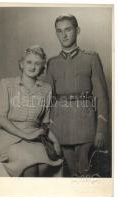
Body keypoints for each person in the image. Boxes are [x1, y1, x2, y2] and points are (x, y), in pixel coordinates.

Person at [45, 14, 109, 177]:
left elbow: (102, 96)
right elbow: (46, 100)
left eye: (68, 29)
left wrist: (101, 129)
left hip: (85, 124)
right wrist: (48, 130)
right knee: (66, 173)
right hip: (60, 126)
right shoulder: (52, 63)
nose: (64, 35)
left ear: (77, 30)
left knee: (86, 172)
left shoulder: (91, 58)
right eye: (59, 31)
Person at [0, 45, 63, 177]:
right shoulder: (7, 84)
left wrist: (55, 141)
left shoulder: (46, 89)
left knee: (44, 166)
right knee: (29, 167)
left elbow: (45, 123)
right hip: (10, 138)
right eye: (29, 62)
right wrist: (26, 135)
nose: (32, 67)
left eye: (37, 64)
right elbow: (1, 119)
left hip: (35, 138)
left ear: (42, 68)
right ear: (22, 64)